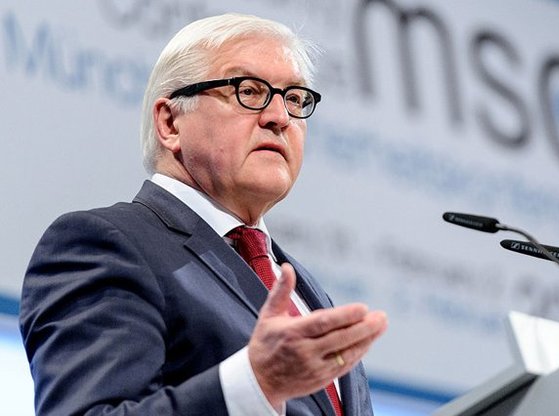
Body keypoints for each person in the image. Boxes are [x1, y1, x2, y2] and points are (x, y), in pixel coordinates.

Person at [19, 12, 388, 416]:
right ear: (170, 122)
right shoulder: (103, 245)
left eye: (295, 99)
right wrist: (255, 385)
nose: (280, 118)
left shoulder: (305, 289)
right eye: (249, 91)